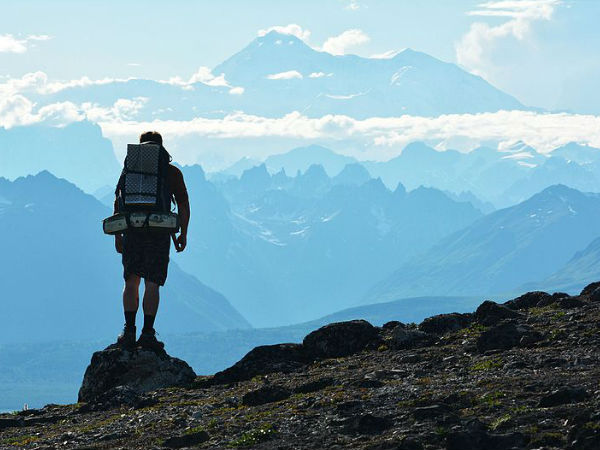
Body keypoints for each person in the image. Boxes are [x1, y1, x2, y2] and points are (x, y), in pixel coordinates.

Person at [113, 131, 190, 350]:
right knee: (152, 283)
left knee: (131, 281)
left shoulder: (129, 170)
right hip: (159, 232)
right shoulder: (171, 171)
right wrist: (183, 233)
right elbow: (183, 204)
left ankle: (129, 331)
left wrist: (118, 235)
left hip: (132, 231)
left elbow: (118, 202)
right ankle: (148, 333)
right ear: (161, 147)